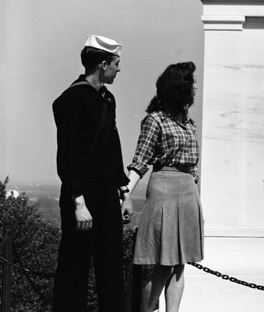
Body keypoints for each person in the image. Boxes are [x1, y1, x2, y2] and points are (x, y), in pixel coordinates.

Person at [52, 35, 131, 312]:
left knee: (111, 268)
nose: (118, 69)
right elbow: (68, 154)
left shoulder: (108, 99)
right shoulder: (70, 99)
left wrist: (123, 189)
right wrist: (78, 201)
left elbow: (112, 144)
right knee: (74, 268)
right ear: (102, 64)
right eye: (116, 63)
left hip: (106, 191)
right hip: (81, 193)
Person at [121, 61, 203, 312]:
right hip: (164, 190)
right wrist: (126, 196)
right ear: (178, 88)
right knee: (164, 266)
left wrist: (194, 185)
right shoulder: (154, 121)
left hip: (187, 191)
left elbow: (194, 164)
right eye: (189, 84)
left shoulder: (190, 123)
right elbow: (140, 161)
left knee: (180, 265)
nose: (193, 88)